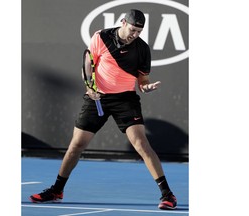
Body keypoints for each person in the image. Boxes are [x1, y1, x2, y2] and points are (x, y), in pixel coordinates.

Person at [29, 9, 177, 210]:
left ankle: (168, 195)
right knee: (76, 145)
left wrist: (146, 86)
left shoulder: (142, 49)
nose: (135, 35)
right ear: (123, 22)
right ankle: (57, 190)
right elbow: (88, 64)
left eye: (139, 32)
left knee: (141, 143)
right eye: (133, 29)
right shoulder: (101, 37)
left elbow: (143, 79)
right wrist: (89, 88)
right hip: (97, 96)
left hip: (125, 100)